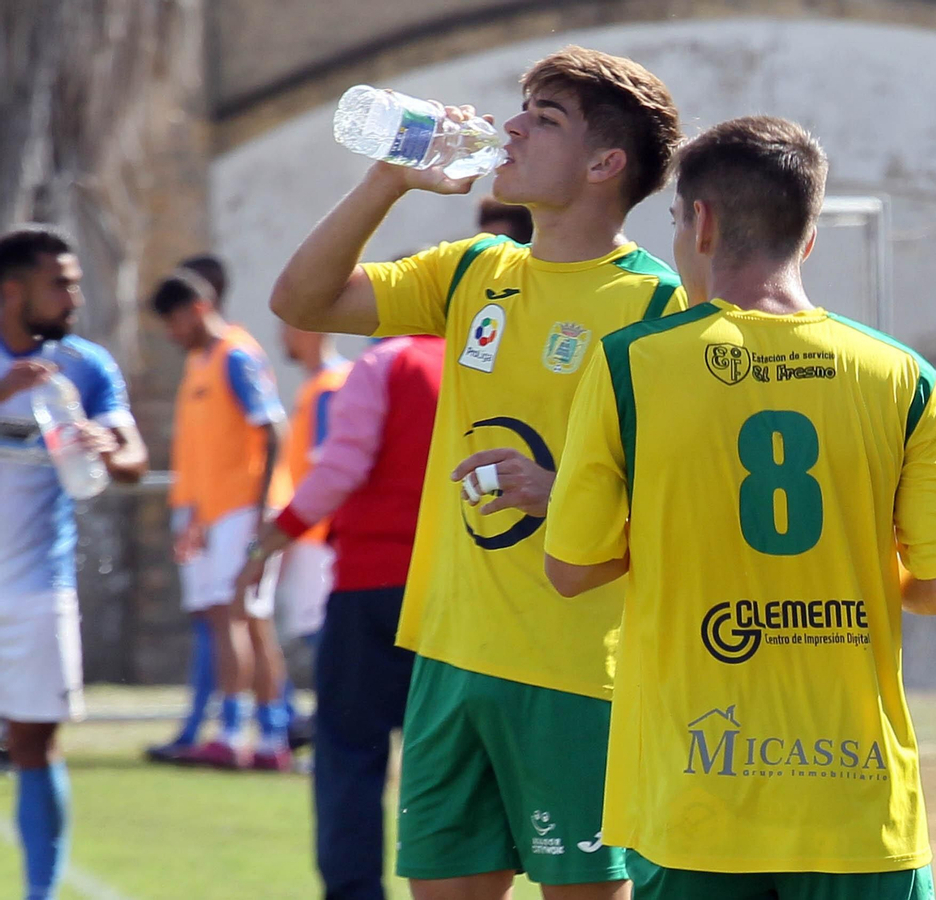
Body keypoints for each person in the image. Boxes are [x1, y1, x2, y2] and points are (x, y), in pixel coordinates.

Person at [269, 46, 685, 900]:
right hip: (449, 657)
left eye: (547, 116)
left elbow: (686, 489)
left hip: (576, 671)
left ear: (607, 164)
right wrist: (389, 180)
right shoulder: (472, 273)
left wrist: (564, 487)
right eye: (522, 105)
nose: (512, 125)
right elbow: (303, 302)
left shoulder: (657, 305)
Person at [544, 114, 936, 900]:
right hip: (857, 806)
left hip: (697, 799)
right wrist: (854, 566)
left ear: (700, 223)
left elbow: (572, 570)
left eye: (676, 219)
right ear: (808, 238)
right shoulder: (902, 375)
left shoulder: (630, 365)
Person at [236, 333, 443, 900]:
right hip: (458, 595)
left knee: (351, 752)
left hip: (373, 586)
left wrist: (270, 540)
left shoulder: (384, 361)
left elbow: (343, 465)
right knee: (449, 762)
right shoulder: (487, 357)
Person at [0, 224, 148, 900]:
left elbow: (132, 462)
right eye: (60, 283)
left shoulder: (87, 366)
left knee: (35, 744)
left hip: (39, 589)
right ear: (12, 290)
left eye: (76, 283)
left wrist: (104, 448)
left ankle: (39, 893)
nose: (73, 296)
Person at [151, 271, 295, 771]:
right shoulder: (200, 362)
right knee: (245, 619)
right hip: (217, 513)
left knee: (234, 613)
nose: (171, 335)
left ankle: (236, 731)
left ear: (195, 307)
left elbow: (274, 428)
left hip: (245, 508)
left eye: (172, 321)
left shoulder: (236, 354)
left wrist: (260, 513)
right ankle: (269, 736)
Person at [277, 325, 350, 645]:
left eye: (288, 327)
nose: (282, 335)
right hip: (312, 532)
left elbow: (329, 469)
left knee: (322, 638)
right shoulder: (317, 385)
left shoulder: (329, 387)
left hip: (319, 536)